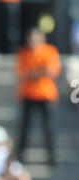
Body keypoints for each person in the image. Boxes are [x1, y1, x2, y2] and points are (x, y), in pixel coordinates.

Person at [16, 27, 61, 166]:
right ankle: (20, 156)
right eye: (30, 37)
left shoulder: (50, 51)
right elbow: (23, 73)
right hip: (28, 94)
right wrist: (40, 71)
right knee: (24, 127)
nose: (33, 40)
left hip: (46, 94)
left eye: (36, 37)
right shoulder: (23, 52)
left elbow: (52, 71)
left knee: (49, 128)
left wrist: (33, 73)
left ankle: (52, 157)